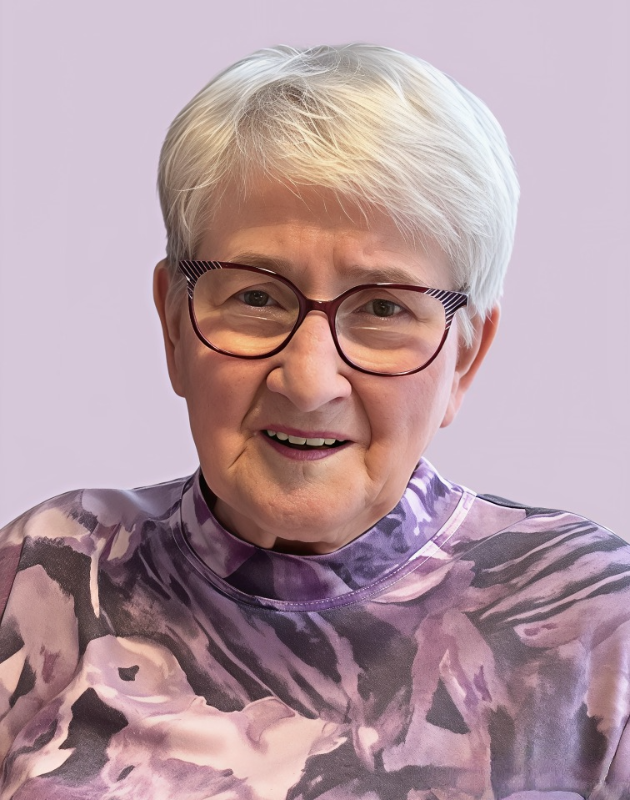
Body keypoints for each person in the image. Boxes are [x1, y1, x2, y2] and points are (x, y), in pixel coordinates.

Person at [0, 43, 628, 800]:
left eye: (384, 308)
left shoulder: (599, 628)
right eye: (256, 297)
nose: (308, 382)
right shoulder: (44, 574)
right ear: (173, 324)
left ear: (464, 358)